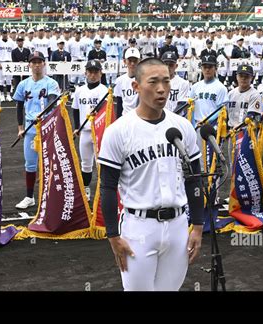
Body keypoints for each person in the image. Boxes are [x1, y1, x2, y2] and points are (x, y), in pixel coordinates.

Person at [97, 58, 204, 291]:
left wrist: (197, 226)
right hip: (138, 227)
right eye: (153, 82)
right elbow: (107, 187)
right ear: (136, 86)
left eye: (166, 81)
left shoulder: (182, 126)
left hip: (177, 226)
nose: (161, 89)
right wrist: (113, 236)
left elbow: (194, 179)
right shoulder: (119, 131)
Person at [13, 51, 61, 209]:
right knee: (30, 164)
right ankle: (29, 197)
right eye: (33, 62)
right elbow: (19, 106)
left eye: (39, 61)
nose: (37, 64)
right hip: (29, 127)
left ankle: (49, 196)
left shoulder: (51, 83)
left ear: (44, 63)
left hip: (46, 127)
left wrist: (44, 115)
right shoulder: (23, 84)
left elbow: (53, 102)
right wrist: (20, 127)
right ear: (29, 65)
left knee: (49, 163)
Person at [72, 60, 108, 201]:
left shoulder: (104, 90)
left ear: (100, 73)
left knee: (101, 163)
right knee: (86, 164)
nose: (93, 75)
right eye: (90, 72)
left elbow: (105, 109)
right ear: (85, 73)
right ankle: (86, 190)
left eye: (96, 72)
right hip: (85, 132)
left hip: (99, 132)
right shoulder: (80, 90)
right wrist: (76, 127)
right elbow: (75, 109)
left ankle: (103, 191)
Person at [189, 54, 228, 150]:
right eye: (205, 67)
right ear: (201, 68)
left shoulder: (221, 88)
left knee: (211, 159)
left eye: (210, 67)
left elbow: (222, 111)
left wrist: (207, 121)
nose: (207, 70)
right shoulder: (195, 87)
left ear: (215, 68)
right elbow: (191, 108)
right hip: (197, 126)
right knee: (198, 158)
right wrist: (193, 124)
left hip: (212, 127)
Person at [114, 48, 141, 117]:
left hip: (140, 117)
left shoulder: (144, 79)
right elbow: (119, 104)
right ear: (124, 61)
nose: (132, 63)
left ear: (139, 61)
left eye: (135, 61)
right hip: (125, 118)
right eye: (130, 60)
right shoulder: (119, 80)